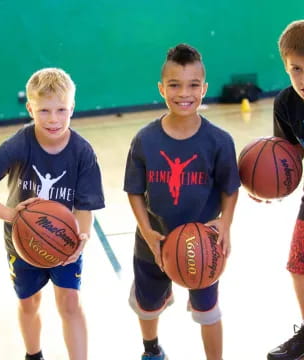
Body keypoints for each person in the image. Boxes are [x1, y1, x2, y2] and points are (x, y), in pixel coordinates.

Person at [0, 67, 105, 360]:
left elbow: (84, 206)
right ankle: (34, 355)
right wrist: (9, 215)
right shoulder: (20, 143)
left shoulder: (82, 152)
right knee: (29, 303)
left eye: (61, 110)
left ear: (72, 108)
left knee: (69, 302)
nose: (53, 119)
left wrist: (81, 237)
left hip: (64, 240)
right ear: (30, 108)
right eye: (44, 110)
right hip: (22, 241)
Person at [123, 44, 240, 360]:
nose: (184, 93)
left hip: (203, 244)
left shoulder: (219, 141)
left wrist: (226, 222)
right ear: (162, 88)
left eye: (192, 85)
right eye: (174, 84)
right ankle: (152, 350)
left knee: (208, 309)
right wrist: (147, 231)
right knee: (147, 304)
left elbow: (231, 187)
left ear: (205, 88)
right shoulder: (145, 139)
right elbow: (134, 191)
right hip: (154, 242)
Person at [267, 20, 304, 360]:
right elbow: (287, 161)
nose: (303, 78)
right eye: (296, 69)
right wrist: (266, 185)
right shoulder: (287, 104)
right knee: (299, 265)